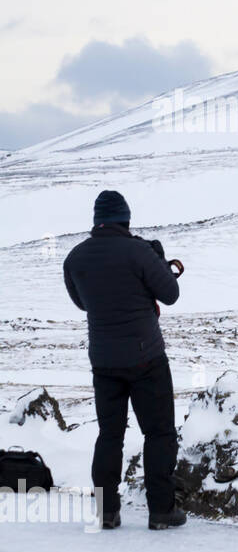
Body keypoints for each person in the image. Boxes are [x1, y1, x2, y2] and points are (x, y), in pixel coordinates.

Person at [62, 190, 187, 530]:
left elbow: (82, 303)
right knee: (159, 433)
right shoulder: (139, 252)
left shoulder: (75, 258)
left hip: (103, 362)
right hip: (147, 359)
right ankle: (161, 511)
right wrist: (159, 264)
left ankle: (106, 511)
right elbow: (170, 294)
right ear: (126, 220)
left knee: (109, 434)